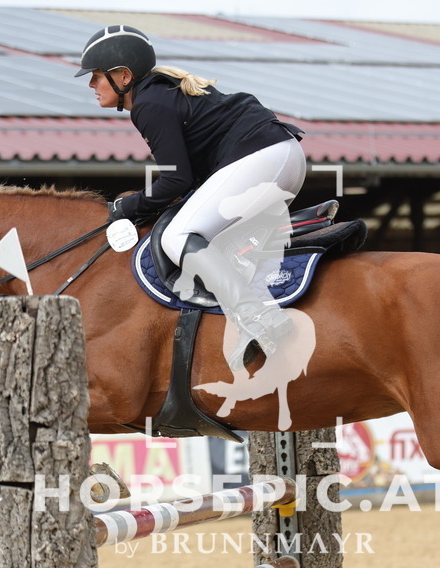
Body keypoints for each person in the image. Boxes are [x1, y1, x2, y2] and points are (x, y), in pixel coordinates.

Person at [76, 25, 307, 370]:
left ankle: (259, 318)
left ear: (123, 76)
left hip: (262, 158)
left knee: (177, 237)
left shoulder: (148, 106)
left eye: (95, 76)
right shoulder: (158, 94)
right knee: (210, 235)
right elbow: (183, 181)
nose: (91, 85)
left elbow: (175, 180)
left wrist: (126, 206)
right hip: (277, 156)